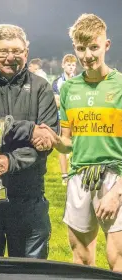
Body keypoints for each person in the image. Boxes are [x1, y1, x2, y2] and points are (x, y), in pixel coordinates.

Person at [0, 24, 59, 259]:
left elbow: (46, 141)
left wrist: (10, 161)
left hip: (28, 196)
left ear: (26, 52)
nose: (10, 57)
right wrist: (29, 129)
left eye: (17, 51)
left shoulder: (41, 87)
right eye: (3, 51)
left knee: (30, 278)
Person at [39, 13, 122, 272]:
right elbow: (67, 142)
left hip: (115, 178)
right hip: (80, 178)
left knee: (117, 259)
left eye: (94, 47)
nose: (87, 55)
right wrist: (54, 141)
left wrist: (117, 193)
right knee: (83, 262)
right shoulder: (68, 89)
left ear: (106, 45)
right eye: (81, 48)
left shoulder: (120, 85)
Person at [52, 54, 77, 185]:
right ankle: (64, 175)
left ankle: (75, 171)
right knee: (63, 145)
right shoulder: (57, 82)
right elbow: (57, 102)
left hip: (77, 119)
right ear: (63, 65)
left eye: (73, 65)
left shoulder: (79, 80)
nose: (71, 67)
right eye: (68, 64)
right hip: (62, 118)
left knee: (77, 145)